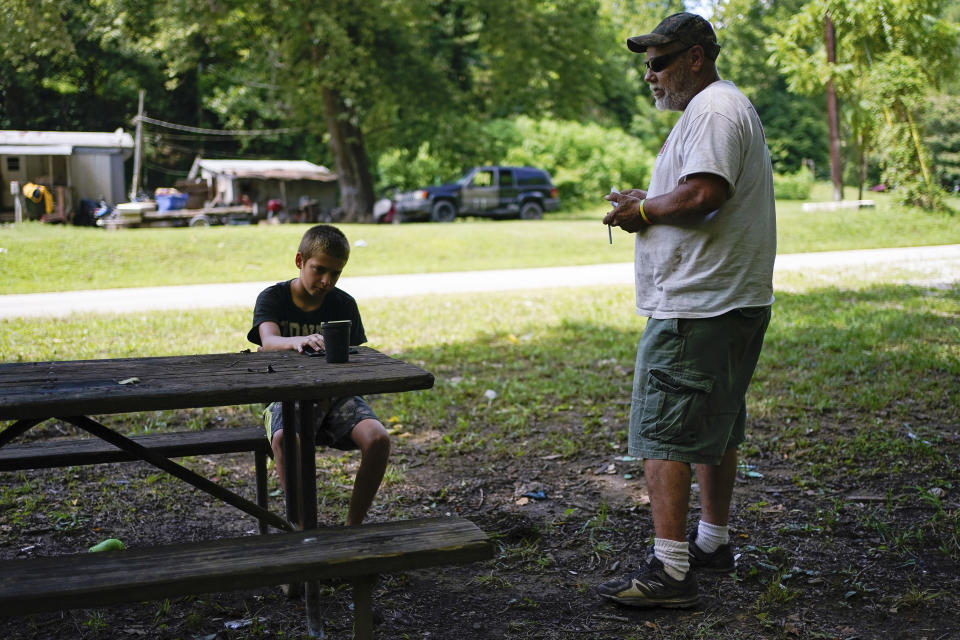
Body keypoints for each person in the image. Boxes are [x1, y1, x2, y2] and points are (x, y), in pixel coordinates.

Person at [596, 12, 776, 609]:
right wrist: (648, 201)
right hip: (728, 300)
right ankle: (711, 542)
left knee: (664, 432)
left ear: (695, 57)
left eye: (658, 62)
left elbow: (705, 195)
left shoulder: (715, 110)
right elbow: (695, 192)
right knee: (714, 426)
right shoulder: (714, 111)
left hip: (699, 306)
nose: (650, 76)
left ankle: (671, 572)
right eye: (647, 65)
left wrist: (641, 214)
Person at [247, 224, 391, 527]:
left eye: (335, 273)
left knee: (378, 439)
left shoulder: (344, 304)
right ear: (300, 261)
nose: (326, 281)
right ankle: (302, 528)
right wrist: (297, 341)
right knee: (287, 439)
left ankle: (353, 527)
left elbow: (355, 355)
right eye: (319, 270)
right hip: (287, 396)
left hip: (336, 396)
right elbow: (268, 341)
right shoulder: (273, 297)